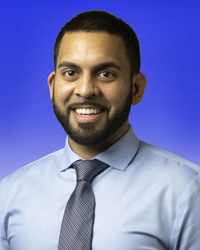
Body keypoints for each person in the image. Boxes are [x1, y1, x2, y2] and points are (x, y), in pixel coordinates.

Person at [0, 10, 200, 250]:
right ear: (53, 86)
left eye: (106, 74)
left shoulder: (189, 192)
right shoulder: (10, 193)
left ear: (136, 89)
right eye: (71, 73)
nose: (85, 90)